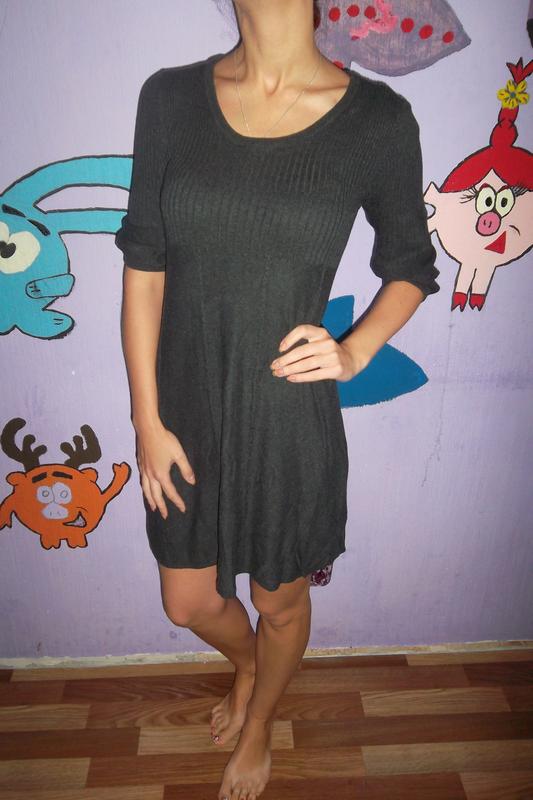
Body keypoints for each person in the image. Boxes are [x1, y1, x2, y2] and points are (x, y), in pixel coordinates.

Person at [115, 1, 440, 797]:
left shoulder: (377, 120)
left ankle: (260, 718)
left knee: (278, 596)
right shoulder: (168, 98)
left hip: (286, 415)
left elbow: (410, 264)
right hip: (183, 408)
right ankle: (252, 667)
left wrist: (354, 349)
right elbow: (144, 268)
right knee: (188, 601)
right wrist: (145, 418)